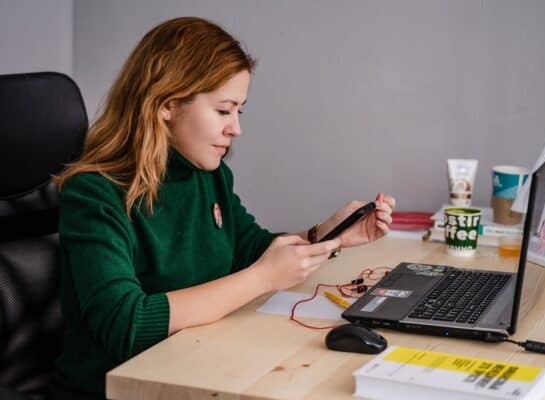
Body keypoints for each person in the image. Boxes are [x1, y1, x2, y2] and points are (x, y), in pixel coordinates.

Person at [48, 16, 395, 399]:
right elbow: (126, 323)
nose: (236, 128)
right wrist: (262, 278)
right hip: (122, 389)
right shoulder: (95, 193)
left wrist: (327, 236)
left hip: (195, 369)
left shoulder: (207, 175)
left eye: (238, 111)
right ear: (168, 105)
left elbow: (250, 250)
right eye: (223, 110)